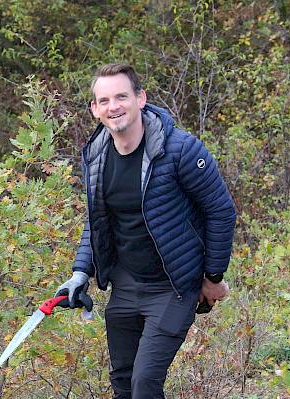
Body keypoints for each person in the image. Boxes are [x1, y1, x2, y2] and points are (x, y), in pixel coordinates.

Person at [55, 63, 236, 399]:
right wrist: (80, 272)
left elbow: (221, 210)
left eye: (122, 96)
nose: (114, 107)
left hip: (173, 287)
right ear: (95, 109)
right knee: (123, 383)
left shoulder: (180, 149)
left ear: (140, 98)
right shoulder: (96, 156)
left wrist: (213, 275)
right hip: (125, 286)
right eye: (104, 100)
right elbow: (97, 221)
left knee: (144, 384)